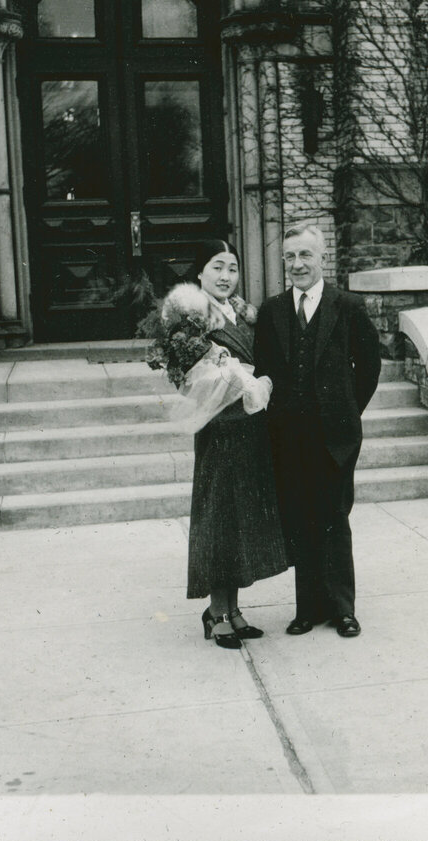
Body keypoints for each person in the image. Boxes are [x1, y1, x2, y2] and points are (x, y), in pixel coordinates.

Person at [148, 240, 289, 650]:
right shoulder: (189, 315)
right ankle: (216, 611)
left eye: (232, 268)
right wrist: (234, 376)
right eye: (217, 267)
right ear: (200, 274)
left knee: (243, 515)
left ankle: (234, 608)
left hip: (250, 426)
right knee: (220, 515)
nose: (225, 276)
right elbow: (191, 377)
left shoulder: (243, 313)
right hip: (220, 425)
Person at [254, 223, 381, 638]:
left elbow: (370, 367)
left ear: (323, 258)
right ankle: (307, 608)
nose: (297, 265)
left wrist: (347, 412)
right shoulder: (271, 311)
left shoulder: (347, 307)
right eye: (289, 257)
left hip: (336, 437)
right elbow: (264, 371)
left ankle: (343, 608)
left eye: (305, 255)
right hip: (289, 438)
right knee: (300, 518)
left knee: (334, 517)